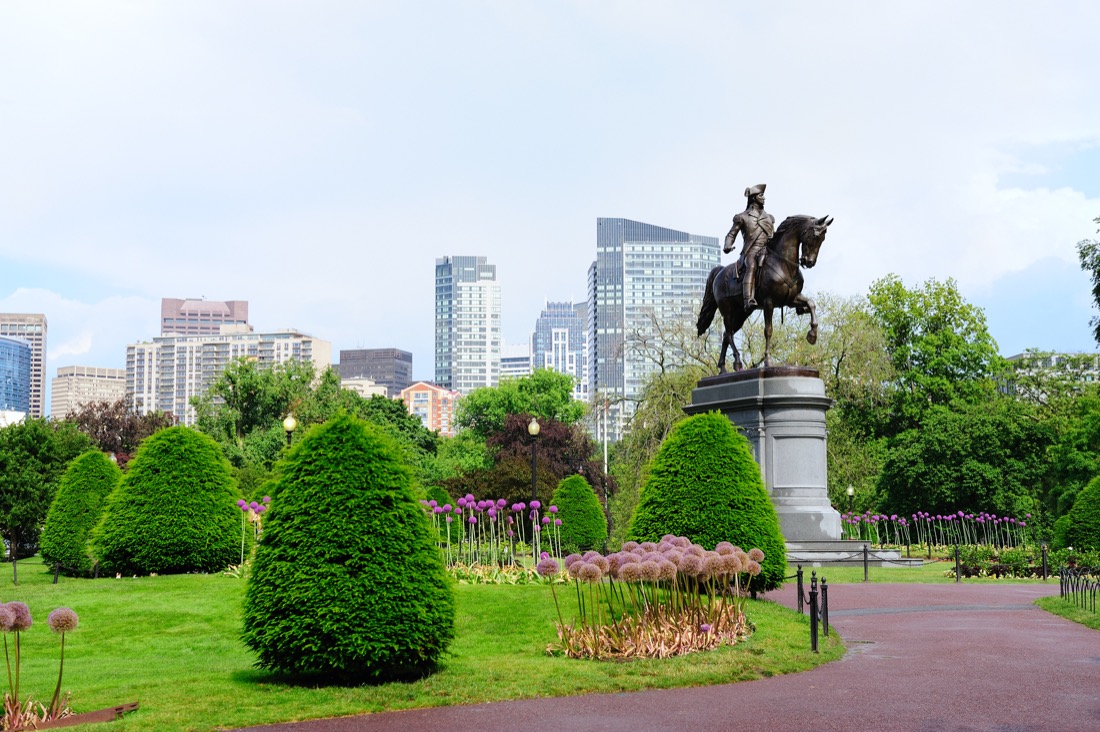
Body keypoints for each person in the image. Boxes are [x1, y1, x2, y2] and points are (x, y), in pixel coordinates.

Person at [725, 184, 775, 309]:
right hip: (751, 251)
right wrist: (728, 245)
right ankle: (748, 299)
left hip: (767, 251)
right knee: (751, 266)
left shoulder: (769, 218)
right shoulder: (742, 217)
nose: (764, 198)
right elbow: (731, 234)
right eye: (761, 195)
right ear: (753, 198)